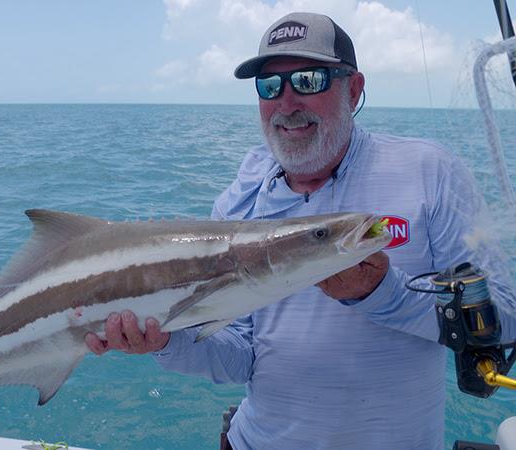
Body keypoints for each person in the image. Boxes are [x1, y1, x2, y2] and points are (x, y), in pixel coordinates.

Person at [85, 11, 516, 450]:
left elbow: (508, 317)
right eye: (269, 86)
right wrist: (165, 342)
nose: (287, 102)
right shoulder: (240, 198)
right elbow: (241, 358)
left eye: (308, 80)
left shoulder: (431, 172)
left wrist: (383, 294)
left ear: (353, 88)